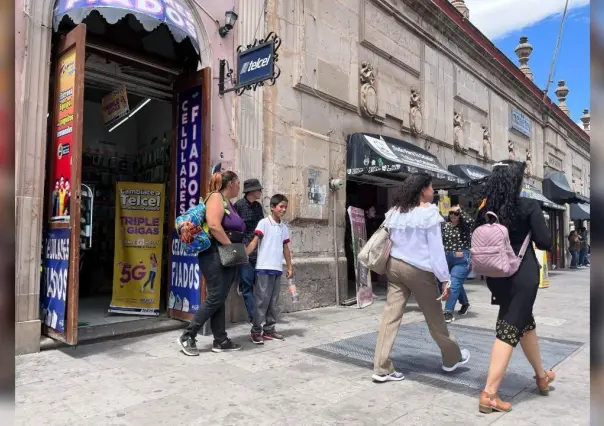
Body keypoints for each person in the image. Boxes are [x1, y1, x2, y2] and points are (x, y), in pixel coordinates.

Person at [372, 173, 470, 383]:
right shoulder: (429, 214)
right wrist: (445, 279)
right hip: (419, 270)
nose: (433, 191)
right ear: (422, 190)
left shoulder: (396, 212)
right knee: (435, 319)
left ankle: (381, 367)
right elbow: (436, 251)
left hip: (395, 267)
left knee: (390, 317)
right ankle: (452, 358)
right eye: (431, 187)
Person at [474, 160, 554, 414]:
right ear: (516, 181)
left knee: (524, 323)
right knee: (509, 327)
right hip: (522, 275)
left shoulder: (484, 210)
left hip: (496, 276)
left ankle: (541, 376)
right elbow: (544, 242)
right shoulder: (528, 206)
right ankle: (489, 393)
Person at [177, 171, 245, 356]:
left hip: (224, 254)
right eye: (238, 182)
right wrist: (232, 249)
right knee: (215, 296)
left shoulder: (228, 203)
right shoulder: (216, 197)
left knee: (219, 297)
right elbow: (214, 226)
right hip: (215, 254)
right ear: (230, 183)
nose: (240, 186)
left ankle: (220, 340)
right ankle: (188, 335)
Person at [245, 194, 293, 344]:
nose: (283, 209)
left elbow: (286, 248)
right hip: (263, 268)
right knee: (261, 301)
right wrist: (244, 255)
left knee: (273, 301)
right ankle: (255, 331)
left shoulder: (283, 227)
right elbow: (254, 241)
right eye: (281, 206)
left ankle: (269, 329)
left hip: (277, 269)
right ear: (272, 207)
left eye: (285, 207)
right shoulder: (264, 223)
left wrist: (290, 266)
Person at [234, 179, 265, 323]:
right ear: (252, 191)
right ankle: (254, 318)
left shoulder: (258, 206)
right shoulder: (239, 205)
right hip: (244, 248)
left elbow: (262, 226)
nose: (261, 192)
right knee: (247, 286)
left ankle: (259, 314)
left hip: (257, 248)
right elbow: (234, 227)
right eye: (259, 190)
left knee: (257, 285)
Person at [441, 205, 473, 323]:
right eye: (451, 213)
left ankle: (448, 312)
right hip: (447, 258)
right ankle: (465, 303)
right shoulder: (445, 226)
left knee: (453, 284)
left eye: (456, 214)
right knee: (454, 283)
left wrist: (460, 210)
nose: (453, 215)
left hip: (461, 259)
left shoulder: (464, 227)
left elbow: (470, 220)